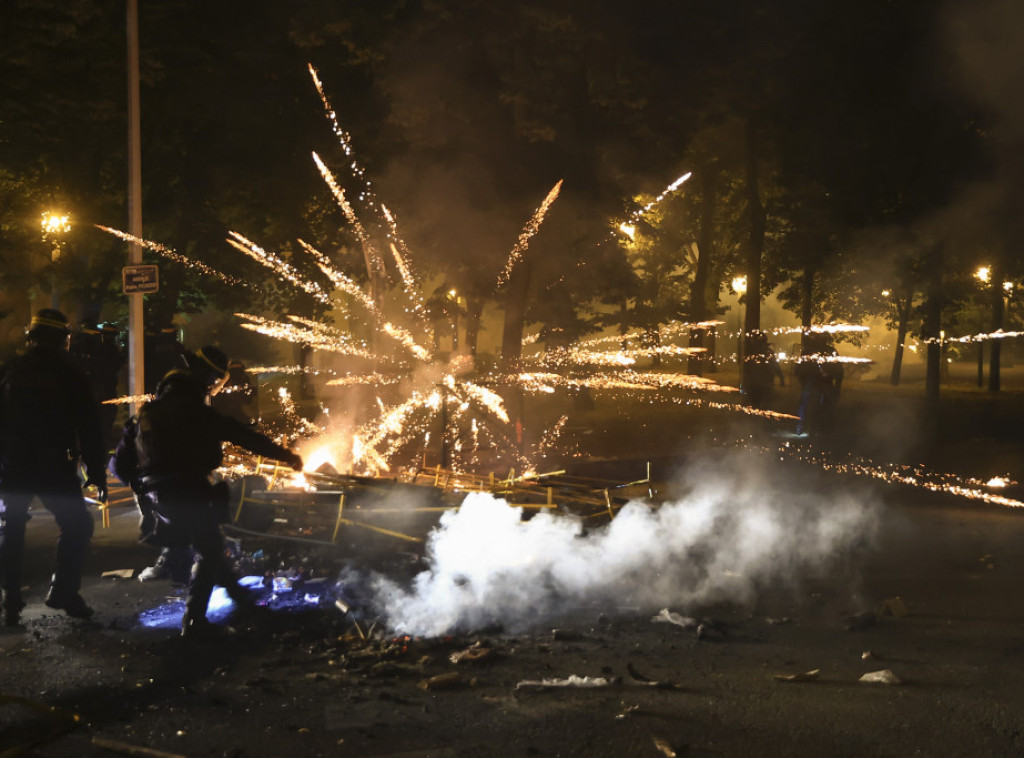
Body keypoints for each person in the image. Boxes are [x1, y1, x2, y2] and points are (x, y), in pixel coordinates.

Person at [116, 345, 302, 639]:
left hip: (159, 499)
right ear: (203, 378)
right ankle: (196, 622)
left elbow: (120, 465)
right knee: (211, 549)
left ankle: (237, 604)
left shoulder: (145, 415)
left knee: (210, 548)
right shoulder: (196, 412)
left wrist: (144, 487)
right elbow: (243, 436)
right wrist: (287, 456)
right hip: (190, 490)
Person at [0, 309, 109, 625]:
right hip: (53, 467)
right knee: (77, 524)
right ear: (65, 339)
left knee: (13, 526)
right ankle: (63, 591)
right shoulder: (70, 373)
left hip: (15, 464)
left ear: (30, 337)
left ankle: (10, 601)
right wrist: (97, 472)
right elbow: (89, 426)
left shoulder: (11, 371)